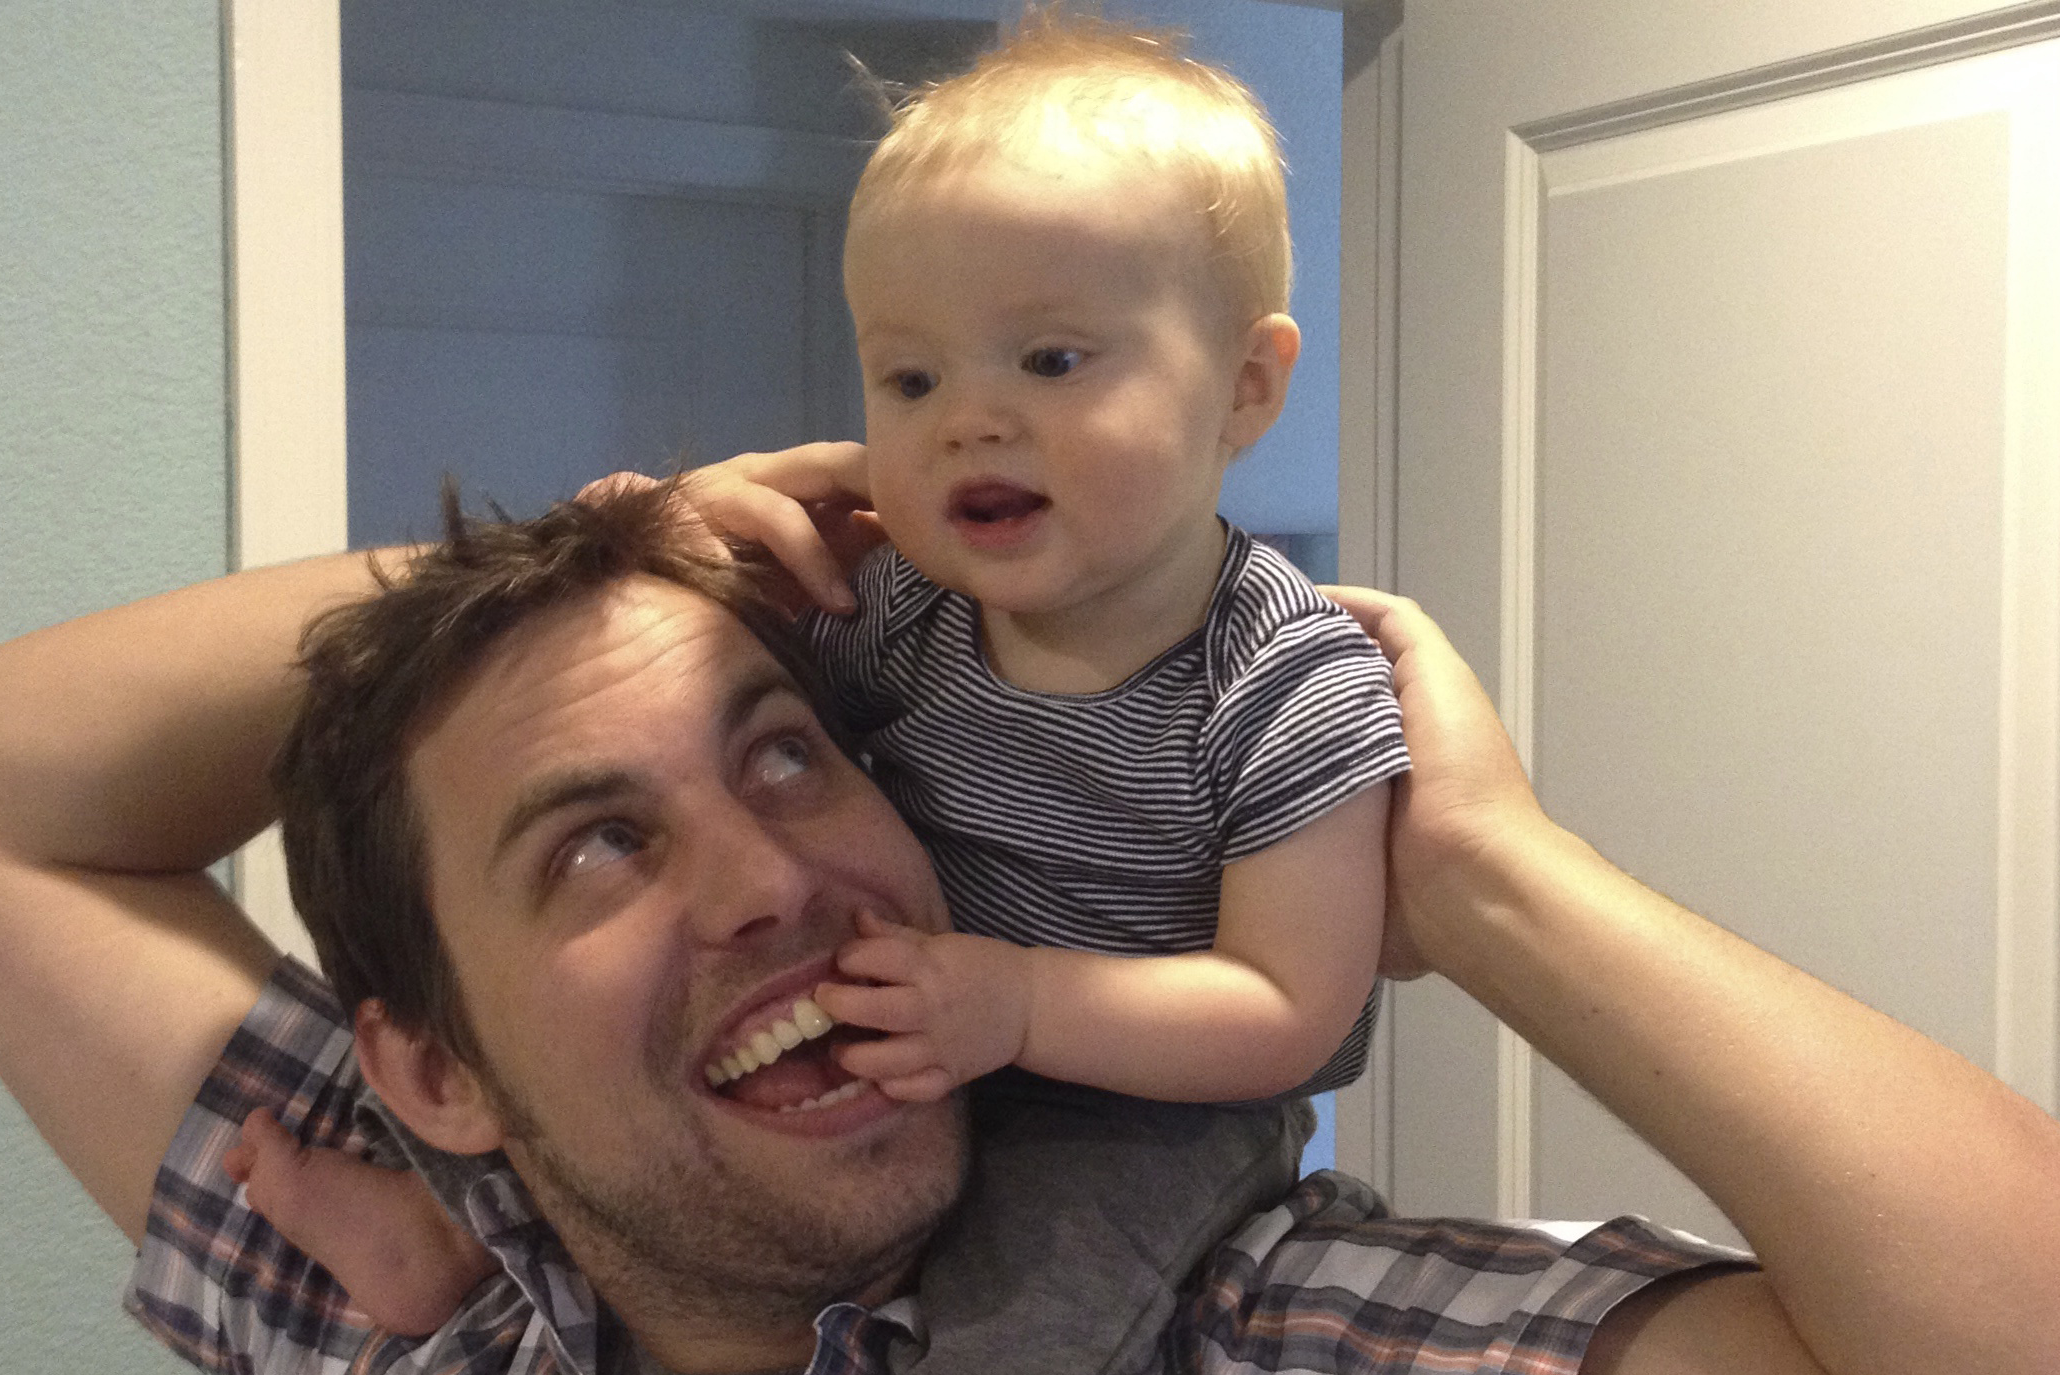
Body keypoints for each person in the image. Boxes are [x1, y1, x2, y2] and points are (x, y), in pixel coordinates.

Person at [0, 472, 2060, 1374]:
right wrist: (639, 535)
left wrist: (1491, 883)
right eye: (595, 845)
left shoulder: (1262, 1322)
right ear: (432, 1066)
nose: (772, 875)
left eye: (786, 751)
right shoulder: (388, 1307)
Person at [232, 12, 1408, 1351]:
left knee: (1020, 1325)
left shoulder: (1287, 681)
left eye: (1051, 361)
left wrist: (1017, 1006)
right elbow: (692, 716)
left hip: (1140, 1113)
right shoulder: (906, 611)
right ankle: (441, 1236)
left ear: (1245, 386)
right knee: (561, 1082)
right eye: (910, 377)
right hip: (924, 1021)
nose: (968, 419)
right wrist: (641, 541)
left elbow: (1287, 1015)